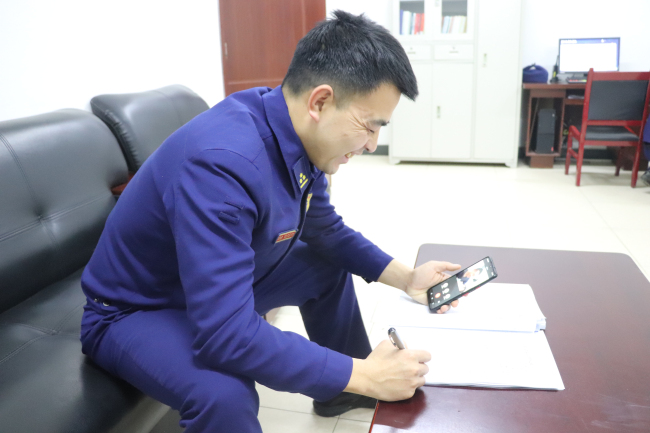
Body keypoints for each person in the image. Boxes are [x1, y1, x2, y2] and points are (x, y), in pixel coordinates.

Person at [79, 11, 461, 433]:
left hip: (197, 285)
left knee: (324, 264)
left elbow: (325, 231)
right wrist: (365, 373)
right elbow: (225, 334)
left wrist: (407, 278)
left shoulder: (291, 128)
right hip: (136, 309)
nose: (372, 144)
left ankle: (341, 392)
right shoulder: (222, 167)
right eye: (369, 126)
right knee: (225, 396)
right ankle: (359, 379)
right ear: (320, 102)